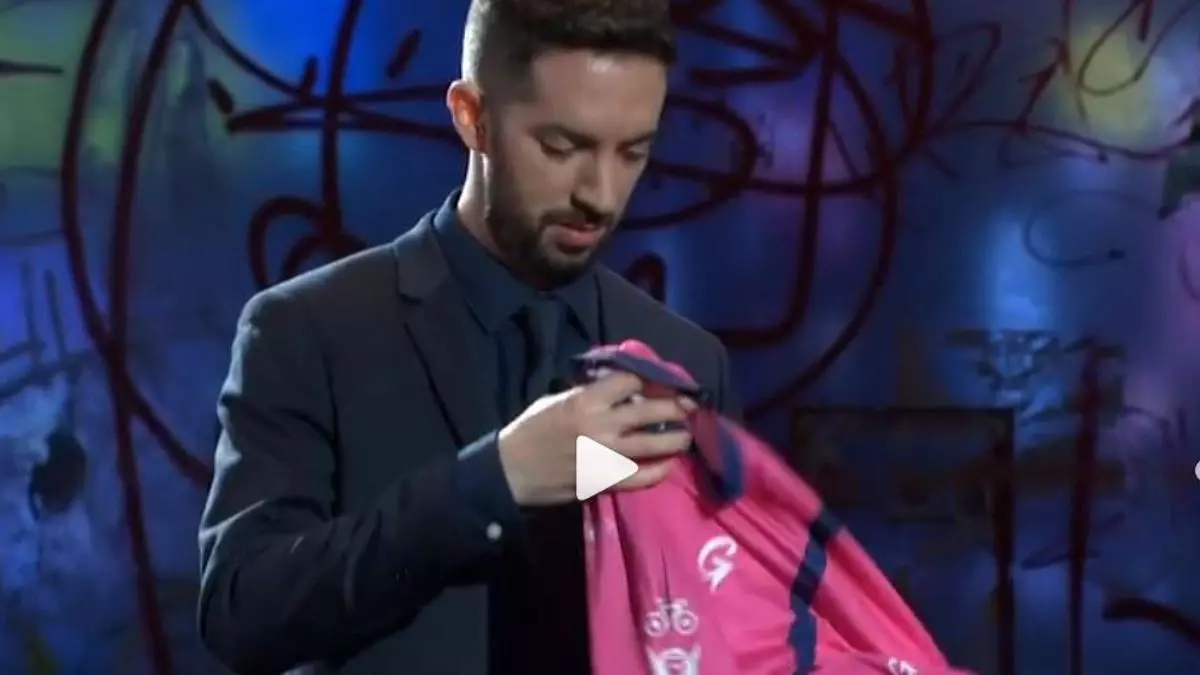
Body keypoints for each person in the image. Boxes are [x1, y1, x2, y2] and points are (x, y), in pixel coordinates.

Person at [196, 0, 739, 673]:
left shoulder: (689, 361)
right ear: (471, 116)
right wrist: (495, 480)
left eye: (633, 152)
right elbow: (243, 612)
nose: (600, 194)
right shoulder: (308, 330)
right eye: (562, 147)